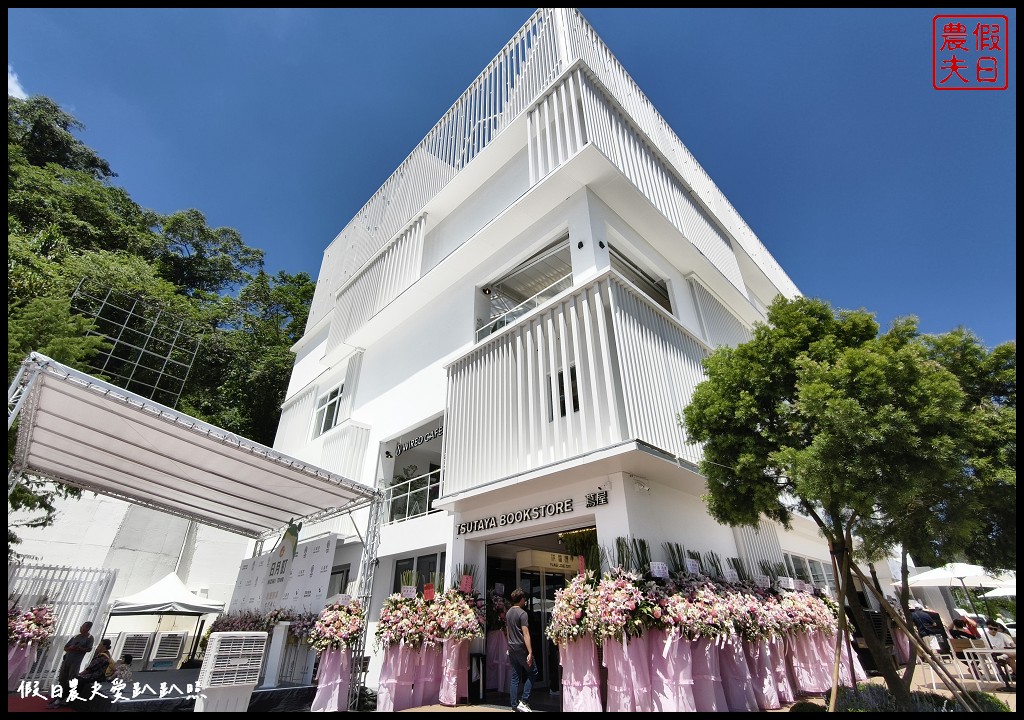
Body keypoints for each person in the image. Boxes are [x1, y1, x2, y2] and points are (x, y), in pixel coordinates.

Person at [506, 587, 539, 713]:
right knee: (533, 672)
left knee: (515, 676)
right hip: (521, 647)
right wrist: (530, 652)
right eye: (524, 598)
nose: (525, 600)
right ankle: (524, 701)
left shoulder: (508, 612)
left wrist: (508, 646)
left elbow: (508, 632)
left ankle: (514, 705)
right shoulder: (522, 613)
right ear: (520, 599)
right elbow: (526, 633)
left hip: (512, 647)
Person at [47, 621, 94, 708]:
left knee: (71, 680)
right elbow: (65, 647)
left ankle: (65, 699)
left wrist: (78, 648)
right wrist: (70, 648)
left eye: (83, 626)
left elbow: (89, 649)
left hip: (75, 662)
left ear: (87, 628)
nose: (81, 628)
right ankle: (58, 697)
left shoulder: (89, 638)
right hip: (67, 660)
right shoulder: (76, 636)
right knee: (62, 678)